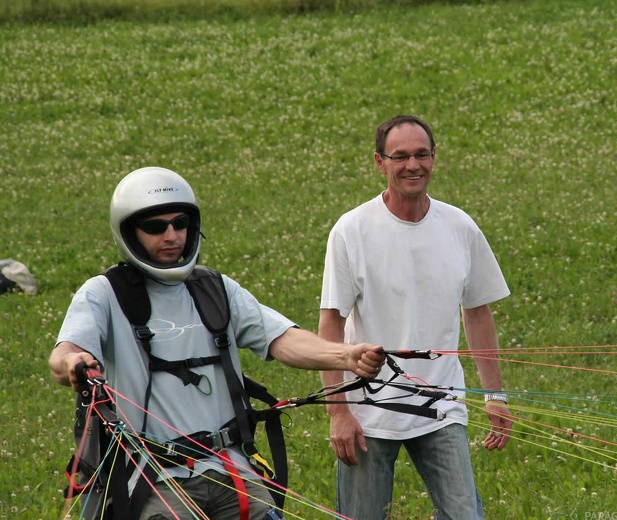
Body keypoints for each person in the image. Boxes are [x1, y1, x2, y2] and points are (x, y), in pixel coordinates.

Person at [49, 166, 385, 520]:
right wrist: (74, 364)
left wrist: (345, 355)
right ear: (129, 232)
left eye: (180, 224)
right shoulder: (103, 294)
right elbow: (63, 353)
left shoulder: (213, 288)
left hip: (231, 470)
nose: (171, 235)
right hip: (156, 480)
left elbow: (283, 339)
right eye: (155, 227)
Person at [318, 115, 513, 520]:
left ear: (434, 157)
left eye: (422, 154)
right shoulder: (351, 231)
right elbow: (331, 323)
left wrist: (494, 395)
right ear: (379, 162)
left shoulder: (459, 226)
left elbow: (477, 312)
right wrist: (338, 411)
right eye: (401, 156)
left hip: (442, 406)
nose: (413, 165)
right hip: (368, 414)